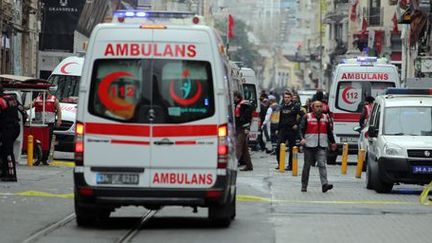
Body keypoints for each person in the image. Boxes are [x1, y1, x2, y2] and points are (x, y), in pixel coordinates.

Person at [299, 101, 337, 192]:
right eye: (317, 106)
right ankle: (304, 185)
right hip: (309, 145)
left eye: (320, 106)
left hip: (321, 145)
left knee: (322, 164)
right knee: (307, 166)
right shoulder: (307, 116)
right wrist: (302, 139)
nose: (319, 108)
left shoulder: (325, 117)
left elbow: (329, 131)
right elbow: (301, 129)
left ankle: (325, 184)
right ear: (313, 108)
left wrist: (333, 142)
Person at [29, 86, 62, 165]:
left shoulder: (53, 99)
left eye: (45, 90)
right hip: (39, 124)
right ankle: (38, 157)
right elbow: (29, 106)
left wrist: (59, 120)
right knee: (38, 141)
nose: (44, 92)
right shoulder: (37, 99)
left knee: (47, 141)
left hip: (49, 124)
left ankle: (45, 159)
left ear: (48, 90)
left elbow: (59, 110)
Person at [0, 83, 21, 182]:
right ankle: (4, 173)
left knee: (8, 151)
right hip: (16, 127)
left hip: (7, 128)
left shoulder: (1, 101)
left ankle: (12, 175)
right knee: (3, 150)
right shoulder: (12, 98)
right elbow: (23, 110)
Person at [275, 92, 301, 171]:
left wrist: (297, 124)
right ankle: (280, 164)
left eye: (288, 97)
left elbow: (303, 116)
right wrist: (277, 129)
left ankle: (291, 165)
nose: (286, 99)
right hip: (283, 129)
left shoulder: (295, 107)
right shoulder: (282, 107)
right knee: (278, 147)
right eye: (285, 97)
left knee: (292, 148)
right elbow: (280, 119)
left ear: (291, 98)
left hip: (291, 130)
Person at [233, 91, 253, 171]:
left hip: (243, 129)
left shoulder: (244, 105)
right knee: (244, 149)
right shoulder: (238, 104)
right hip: (239, 128)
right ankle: (249, 165)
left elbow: (248, 118)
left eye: (234, 97)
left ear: (237, 97)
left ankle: (233, 164)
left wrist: (247, 128)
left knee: (238, 146)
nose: (233, 99)